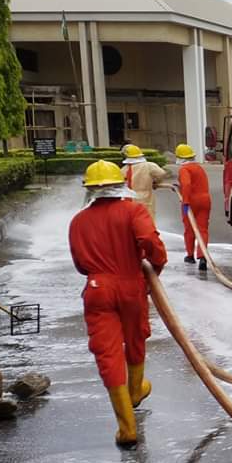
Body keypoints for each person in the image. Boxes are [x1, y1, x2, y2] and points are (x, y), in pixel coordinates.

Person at [69, 161, 168, 447]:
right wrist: (156, 269)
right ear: (119, 186)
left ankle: (127, 429)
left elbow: (79, 264)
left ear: (90, 190)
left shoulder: (78, 221)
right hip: (131, 285)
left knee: (107, 353)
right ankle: (135, 391)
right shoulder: (133, 210)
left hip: (97, 290)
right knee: (136, 340)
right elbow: (150, 241)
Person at [175, 143, 212, 271]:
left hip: (192, 201)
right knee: (202, 229)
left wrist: (185, 202)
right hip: (205, 200)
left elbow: (186, 184)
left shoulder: (184, 169)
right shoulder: (199, 168)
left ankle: (190, 255)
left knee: (189, 229)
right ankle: (203, 257)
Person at [122, 144, 168, 220]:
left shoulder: (124, 169)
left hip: (129, 199)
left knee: (132, 221)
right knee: (147, 220)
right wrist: (155, 182)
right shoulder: (149, 166)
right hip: (146, 198)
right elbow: (161, 174)